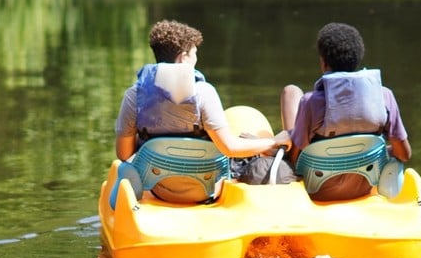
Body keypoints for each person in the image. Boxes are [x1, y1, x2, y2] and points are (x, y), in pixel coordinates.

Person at [114, 19, 290, 202]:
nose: (196, 59)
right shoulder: (204, 93)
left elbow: (124, 154)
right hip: (206, 189)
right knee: (250, 157)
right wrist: (273, 141)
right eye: (194, 54)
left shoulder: (134, 96)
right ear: (183, 57)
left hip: (161, 189)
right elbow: (230, 148)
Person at [280, 22, 411, 200]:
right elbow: (404, 154)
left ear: (323, 63)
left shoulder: (311, 102)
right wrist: (373, 151)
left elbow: (295, 160)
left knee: (291, 92)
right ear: (358, 59)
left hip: (318, 191)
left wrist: (275, 144)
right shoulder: (384, 96)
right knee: (292, 92)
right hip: (362, 188)